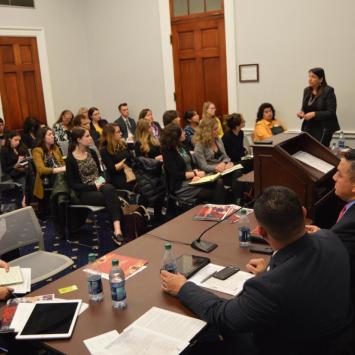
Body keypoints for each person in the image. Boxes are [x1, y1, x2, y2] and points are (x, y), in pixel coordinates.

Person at [161, 186, 354, 355]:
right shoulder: (330, 238)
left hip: (291, 347)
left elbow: (222, 315)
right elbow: (306, 276)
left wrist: (183, 287)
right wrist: (271, 274)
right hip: (335, 338)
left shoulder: (269, 288)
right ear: (303, 213)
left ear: (261, 232)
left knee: (205, 340)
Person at [306, 149, 355, 302]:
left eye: (340, 174)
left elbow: (331, 260)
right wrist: (323, 234)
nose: (333, 178)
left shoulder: (351, 223)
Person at [66, 127, 124, 245]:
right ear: (79, 140)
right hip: (85, 192)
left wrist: (99, 182)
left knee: (109, 189)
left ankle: (117, 230)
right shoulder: (71, 159)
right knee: (112, 197)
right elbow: (73, 184)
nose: (91, 138)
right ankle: (118, 230)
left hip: (100, 186)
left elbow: (101, 172)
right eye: (87, 136)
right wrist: (93, 187)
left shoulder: (91, 152)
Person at [161, 123, 225, 203]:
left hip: (192, 179)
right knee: (214, 190)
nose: (184, 132)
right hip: (181, 185)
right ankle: (217, 210)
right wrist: (194, 174)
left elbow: (192, 164)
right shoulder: (167, 151)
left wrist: (195, 174)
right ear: (176, 135)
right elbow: (176, 174)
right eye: (182, 131)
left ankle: (219, 210)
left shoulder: (181, 146)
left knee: (218, 181)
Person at [194, 117, 242, 203]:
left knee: (238, 171)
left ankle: (237, 200)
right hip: (211, 173)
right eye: (215, 129)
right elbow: (202, 166)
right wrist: (216, 167)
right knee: (219, 181)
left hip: (222, 170)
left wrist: (226, 163)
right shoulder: (199, 145)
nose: (218, 131)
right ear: (207, 132)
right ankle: (221, 205)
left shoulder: (218, 139)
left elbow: (225, 156)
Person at [297, 67, 340, 147]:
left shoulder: (328, 91)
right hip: (308, 126)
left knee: (319, 152)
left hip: (323, 128)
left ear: (321, 79)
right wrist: (302, 112)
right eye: (309, 76)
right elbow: (305, 107)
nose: (310, 79)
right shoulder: (306, 90)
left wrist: (314, 114)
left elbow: (331, 112)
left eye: (313, 77)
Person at [100, 124, 135, 190]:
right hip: (118, 177)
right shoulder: (104, 150)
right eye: (118, 132)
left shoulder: (122, 144)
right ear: (111, 135)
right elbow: (112, 169)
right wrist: (122, 163)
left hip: (130, 171)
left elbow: (132, 159)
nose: (121, 133)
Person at [1, 131, 28, 207]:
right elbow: (5, 168)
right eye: (16, 140)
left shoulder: (18, 149)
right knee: (22, 181)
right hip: (10, 175)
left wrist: (24, 165)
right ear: (9, 139)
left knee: (28, 174)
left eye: (19, 140)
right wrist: (16, 165)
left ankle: (25, 202)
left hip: (20, 173)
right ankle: (22, 204)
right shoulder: (4, 151)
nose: (18, 142)